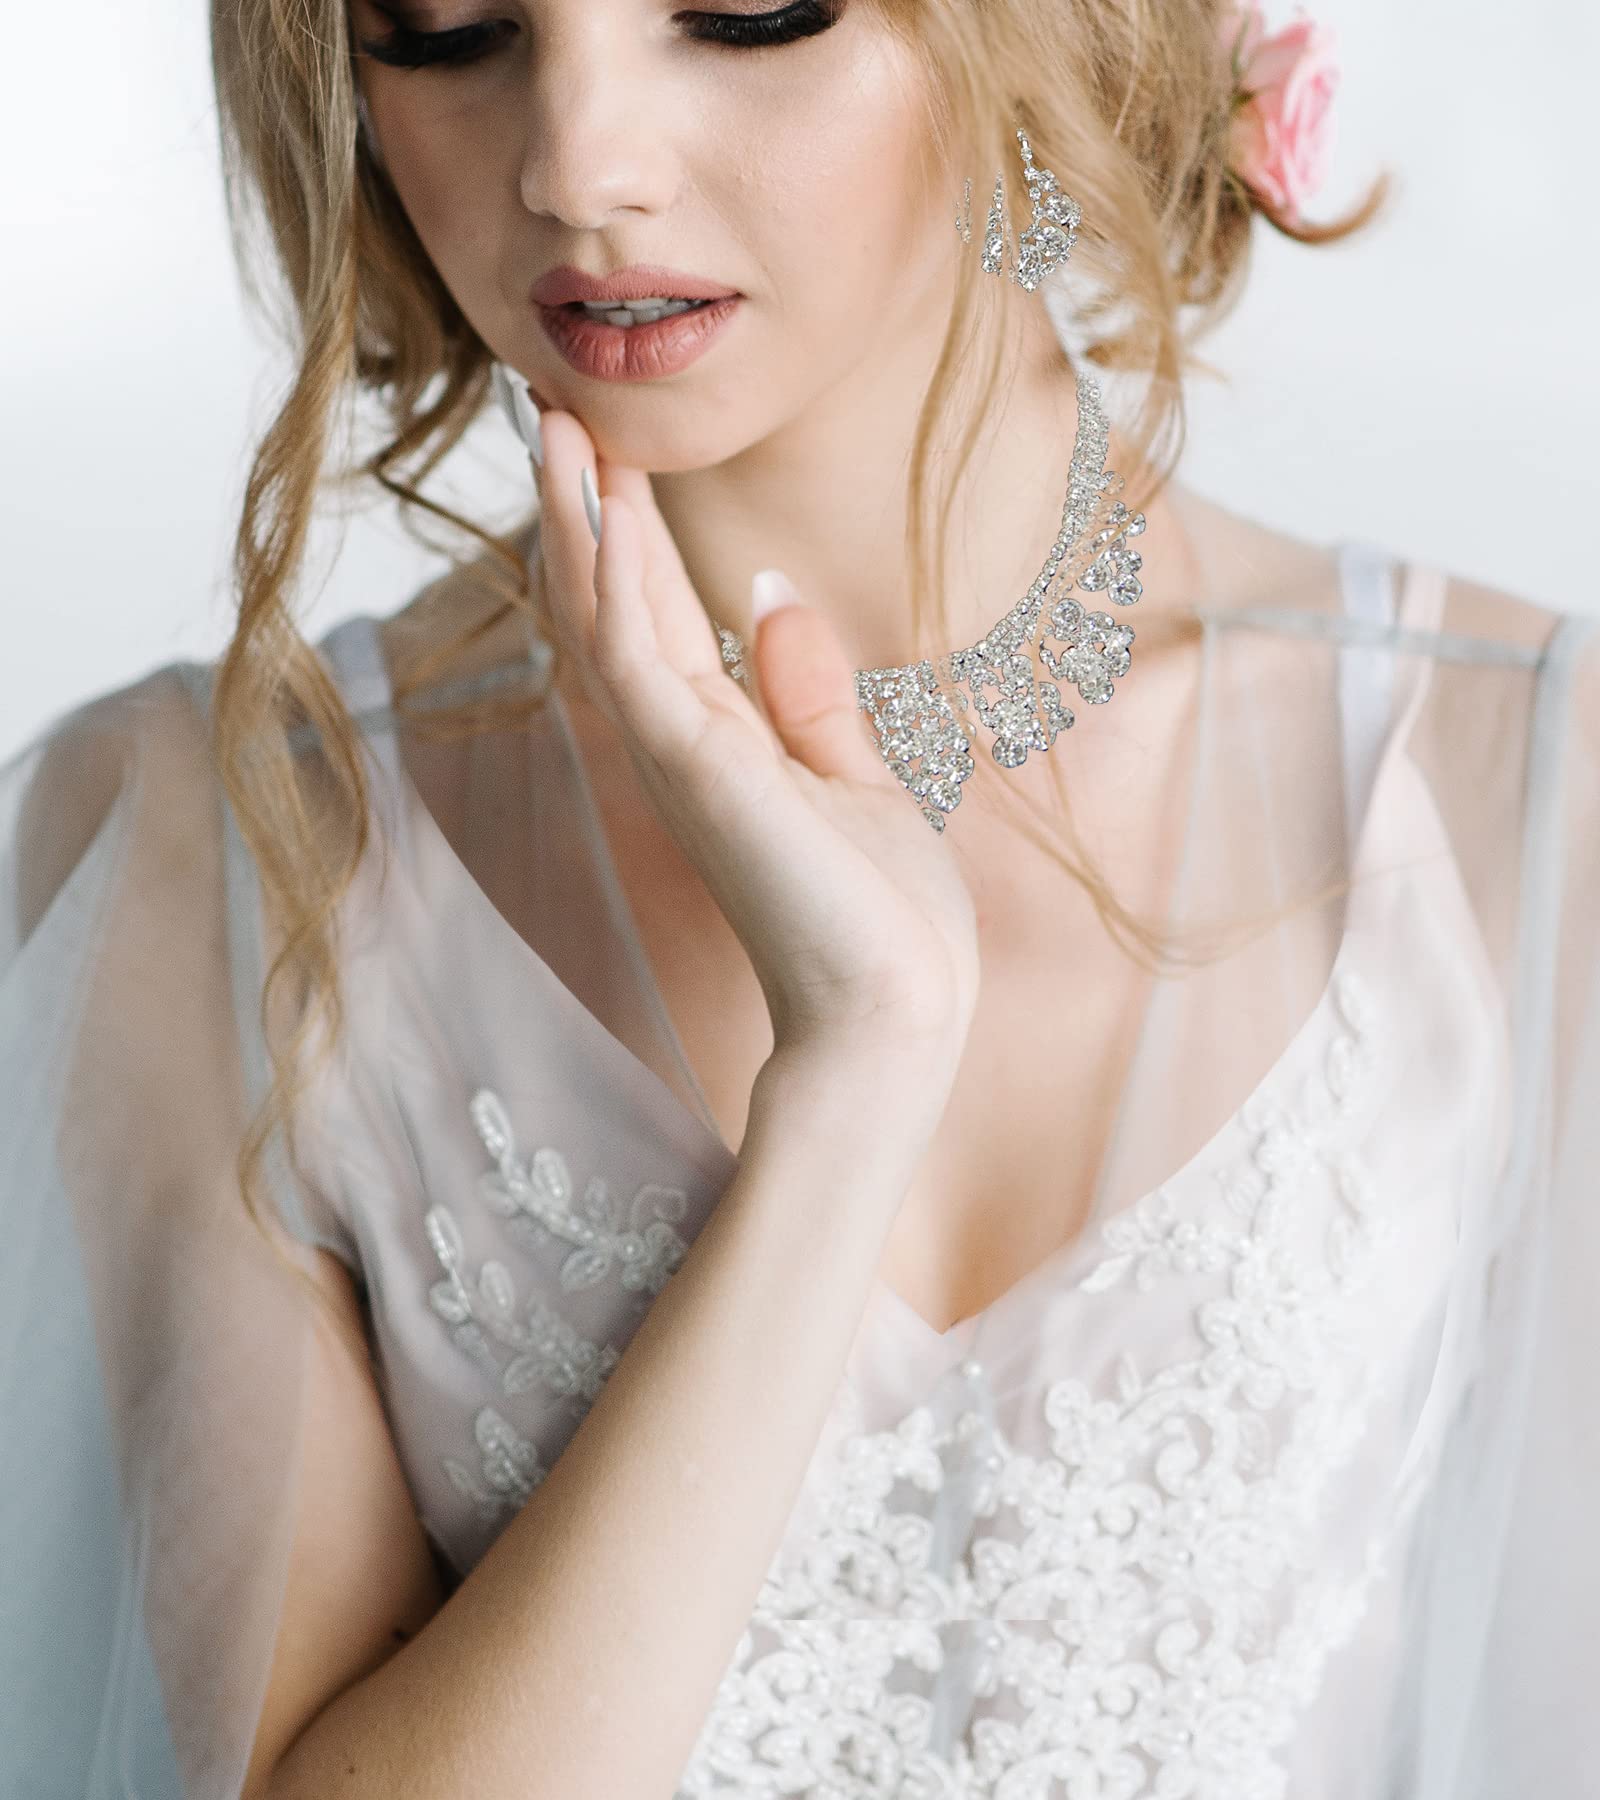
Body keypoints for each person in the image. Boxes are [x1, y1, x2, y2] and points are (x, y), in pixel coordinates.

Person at [2, 1, 1595, 1795]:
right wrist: (855, 1078)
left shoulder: (1527, 781)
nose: (577, 164)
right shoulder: (202, 841)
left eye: (746, 11)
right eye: (448, 29)